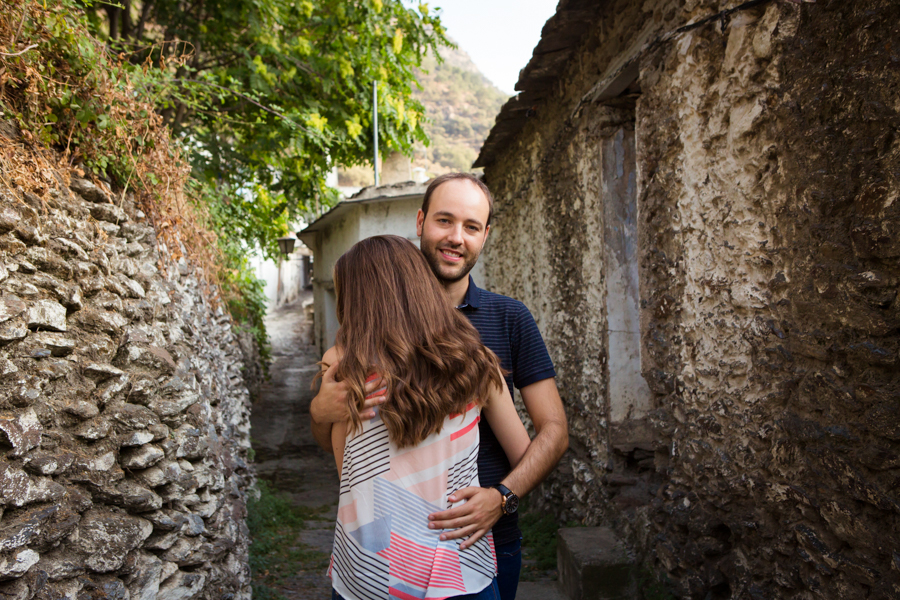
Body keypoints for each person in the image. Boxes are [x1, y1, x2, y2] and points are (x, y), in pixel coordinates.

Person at [312, 173, 569, 600]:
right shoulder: (355, 354)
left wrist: (502, 497)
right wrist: (320, 411)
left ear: (485, 235)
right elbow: (340, 449)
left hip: (475, 539)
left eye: (471, 226)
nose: (456, 237)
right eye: (444, 221)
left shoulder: (509, 319)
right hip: (438, 560)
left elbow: (553, 431)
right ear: (420, 222)